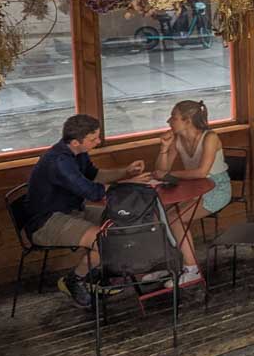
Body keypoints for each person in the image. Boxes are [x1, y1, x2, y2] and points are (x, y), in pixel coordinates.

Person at [24, 114, 145, 308]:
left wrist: (126, 172)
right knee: (106, 240)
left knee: (124, 221)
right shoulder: (59, 162)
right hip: (46, 222)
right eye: (93, 139)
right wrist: (129, 184)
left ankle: (96, 272)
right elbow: (92, 192)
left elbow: (95, 175)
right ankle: (74, 280)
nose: (98, 141)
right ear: (75, 141)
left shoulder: (77, 152)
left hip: (72, 211)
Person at [153, 100, 231, 288]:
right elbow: (160, 170)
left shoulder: (210, 137)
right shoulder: (177, 139)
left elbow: (202, 172)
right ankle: (174, 265)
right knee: (161, 215)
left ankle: (192, 270)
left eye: (173, 117)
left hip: (217, 188)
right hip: (194, 188)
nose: (168, 121)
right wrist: (164, 148)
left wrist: (169, 176)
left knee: (175, 220)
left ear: (187, 121)